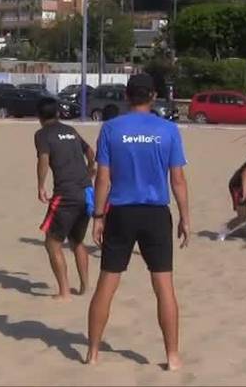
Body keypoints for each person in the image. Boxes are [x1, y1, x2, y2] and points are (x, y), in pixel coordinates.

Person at [86, 73, 190, 370]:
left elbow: (103, 177)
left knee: (107, 283)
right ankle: (172, 356)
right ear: (153, 96)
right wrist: (185, 217)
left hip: (121, 211)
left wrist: (97, 215)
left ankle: (92, 352)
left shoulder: (111, 128)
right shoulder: (168, 130)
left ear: (127, 96)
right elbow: (178, 180)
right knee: (164, 286)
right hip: (156, 213)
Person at [34, 97, 96, 300]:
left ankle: (64, 292)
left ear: (39, 117)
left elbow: (44, 159)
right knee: (77, 241)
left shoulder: (42, 134)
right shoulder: (71, 131)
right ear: (58, 114)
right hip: (86, 191)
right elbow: (90, 152)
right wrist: (89, 171)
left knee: (52, 243)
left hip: (66, 194)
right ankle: (85, 287)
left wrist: (41, 185)